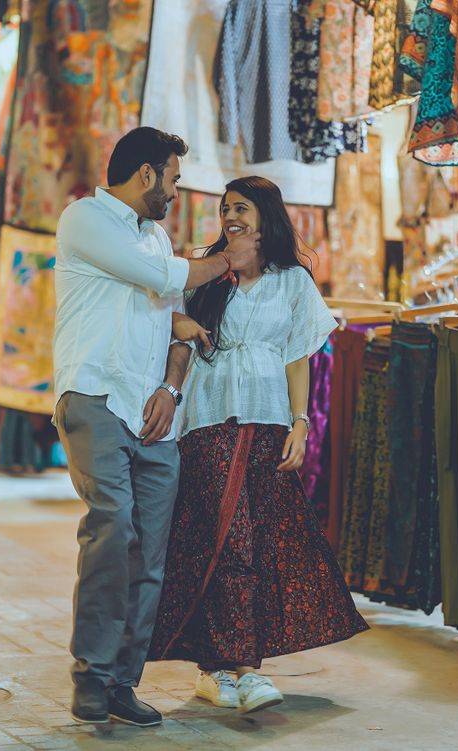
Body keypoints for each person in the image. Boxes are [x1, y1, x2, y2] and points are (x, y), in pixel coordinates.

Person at [52, 127, 261, 727]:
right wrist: (227, 260)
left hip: (153, 415)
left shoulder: (155, 237)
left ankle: (123, 681)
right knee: (112, 529)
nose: (174, 191)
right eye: (171, 178)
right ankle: (90, 676)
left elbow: (174, 318)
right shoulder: (85, 220)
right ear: (146, 174)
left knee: (151, 556)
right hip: (95, 396)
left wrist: (172, 387)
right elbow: (170, 282)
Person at [148, 176, 369, 713]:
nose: (231, 217)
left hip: (267, 423)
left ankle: (217, 669)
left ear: (265, 217)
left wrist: (301, 422)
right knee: (228, 539)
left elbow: (299, 356)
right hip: (207, 423)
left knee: (251, 543)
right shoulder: (206, 278)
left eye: (241, 208)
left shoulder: (292, 282)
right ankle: (245, 670)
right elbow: (168, 329)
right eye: (226, 210)